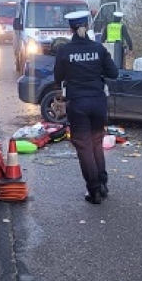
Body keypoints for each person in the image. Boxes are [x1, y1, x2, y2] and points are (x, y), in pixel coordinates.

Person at [54, 10, 119, 204]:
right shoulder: (99, 49)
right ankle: (103, 184)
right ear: (88, 26)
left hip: (78, 104)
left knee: (83, 147)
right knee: (96, 142)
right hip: (98, 103)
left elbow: (58, 77)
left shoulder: (64, 51)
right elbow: (113, 73)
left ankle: (94, 191)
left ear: (70, 28)